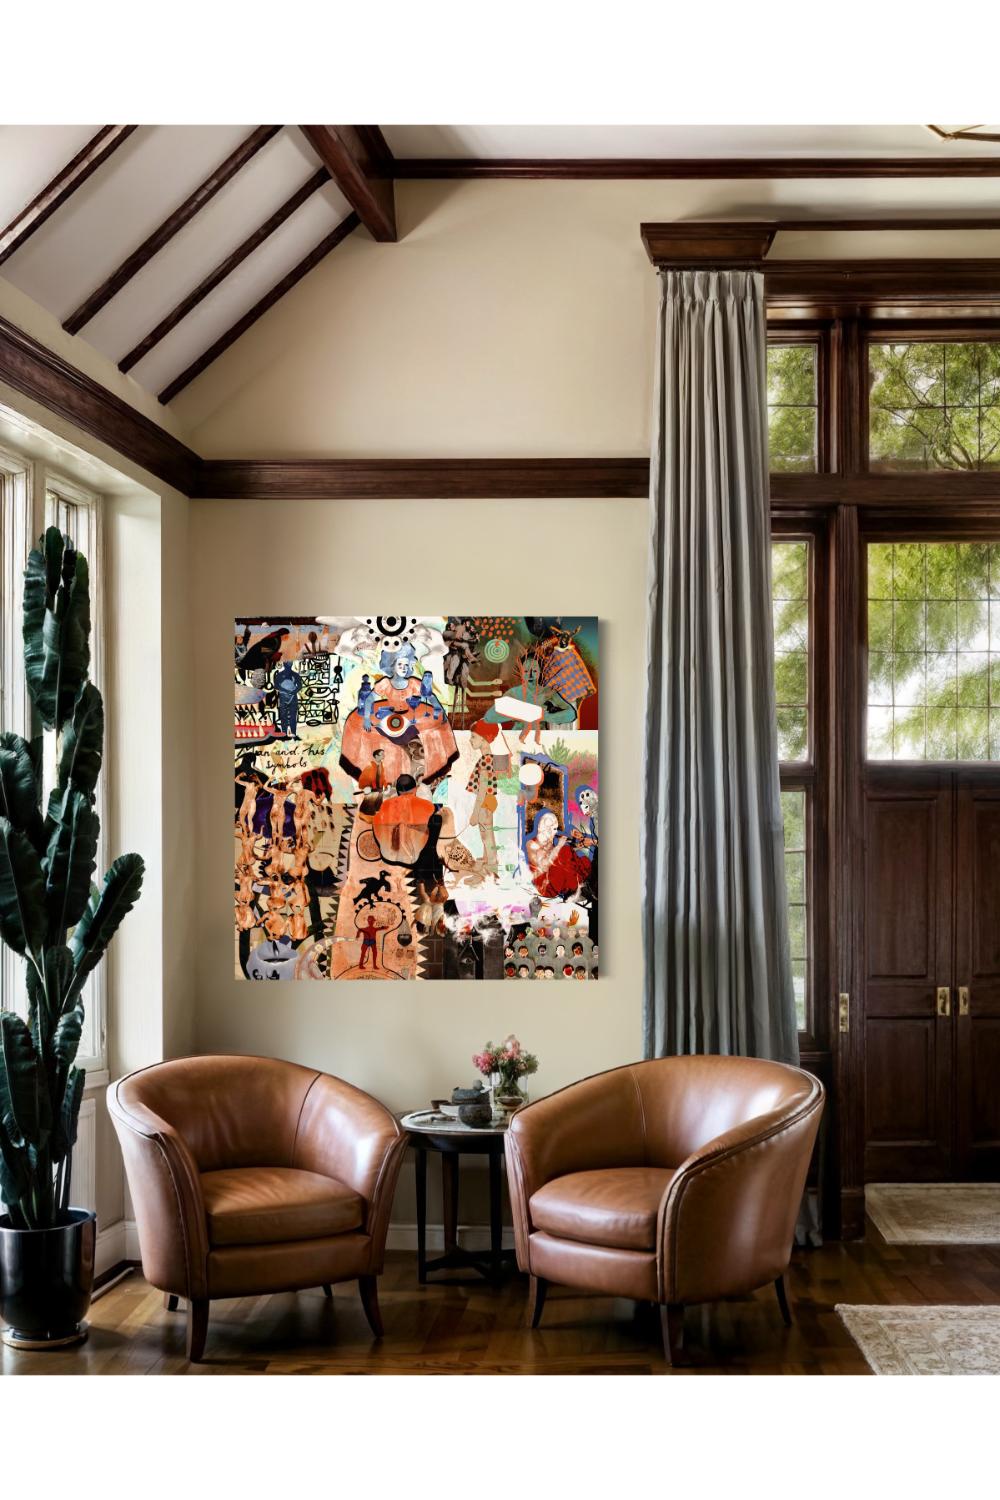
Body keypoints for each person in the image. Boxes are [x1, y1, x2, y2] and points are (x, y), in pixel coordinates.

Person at [340, 642, 458, 786]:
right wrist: (366, 718)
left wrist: (439, 708)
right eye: (400, 664)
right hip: (388, 717)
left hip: (410, 718)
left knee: (418, 743)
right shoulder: (385, 683)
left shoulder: (413, 682)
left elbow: (429, 695)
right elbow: (370, 699)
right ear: (392, 666)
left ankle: (416, 778)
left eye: (406, 665)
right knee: (379, 740)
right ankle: (385, 779)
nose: (403, 668)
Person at [524, 809, 591, 900]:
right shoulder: (532, 844)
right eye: (548, 827)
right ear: (540, 827)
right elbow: (544, 866)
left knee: (570, 852)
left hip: (556, 878)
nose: (553, 831)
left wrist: (577, 847)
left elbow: (557, 858)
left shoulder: (550, 841)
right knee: (564, 851)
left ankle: (577, 885)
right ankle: (574, 887)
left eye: (554, 828)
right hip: (546, 885)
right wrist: (559, 846)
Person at [466, 719, 501, 877]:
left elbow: (482, 790)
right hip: (488, 800)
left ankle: (491, 868)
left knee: (487, 836)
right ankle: (487, 865)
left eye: (473, 736)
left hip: (485, 800)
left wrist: (475, 813)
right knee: (486, 835)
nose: (470, 740)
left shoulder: (486, 760)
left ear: (484, 738)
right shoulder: (488, 758)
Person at [274, 661, 303, 738]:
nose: (288, 665)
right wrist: (286, 691)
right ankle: (284, 733)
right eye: (287, 663)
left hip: (292, 698)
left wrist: (294, 691)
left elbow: (300, 686)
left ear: (292, 664)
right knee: (284, 716)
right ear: (284, 664)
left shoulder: (295, 675)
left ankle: (293, 733)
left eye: (290, 663)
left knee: (292, 716)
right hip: (283, 697)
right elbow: (276, 686)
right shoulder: (279, 675)